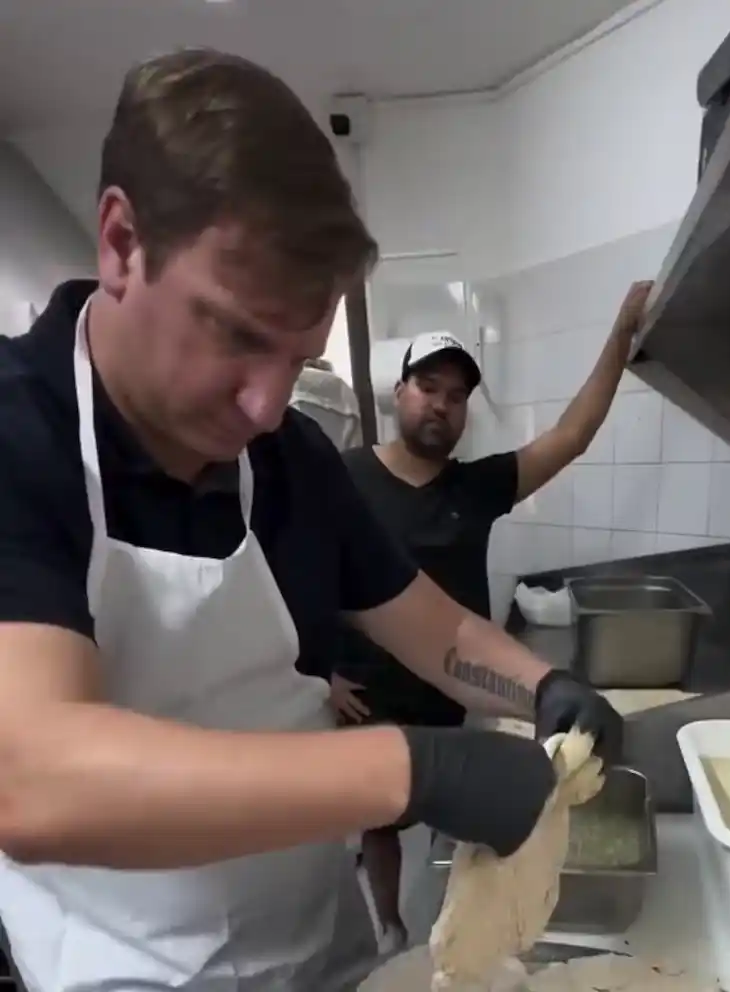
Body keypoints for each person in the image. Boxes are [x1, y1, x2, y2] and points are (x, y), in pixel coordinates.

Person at [0, 48, 623, 992]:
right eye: (239, 336)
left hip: (312, 947)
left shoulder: (286, 460)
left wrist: (544, 690)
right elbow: (33, 774)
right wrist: (414, 770)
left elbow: (435, 626)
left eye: (296, 357)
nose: (265, 403)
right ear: (122, 243)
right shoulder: (19, 434)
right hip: (127, 971)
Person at [328, 282, 651, 951]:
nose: (441, 404)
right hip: (367, 697)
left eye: (456, 395)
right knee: (378, 818)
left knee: (454, 815)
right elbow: (298, 584)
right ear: (400, 393)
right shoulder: (344, 479)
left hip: (453, 690)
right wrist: (321, 676)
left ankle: (466, 934)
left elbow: (572, 435)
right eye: (429, 386)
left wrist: (620, 337)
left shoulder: (475, 488)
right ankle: (389, 926)